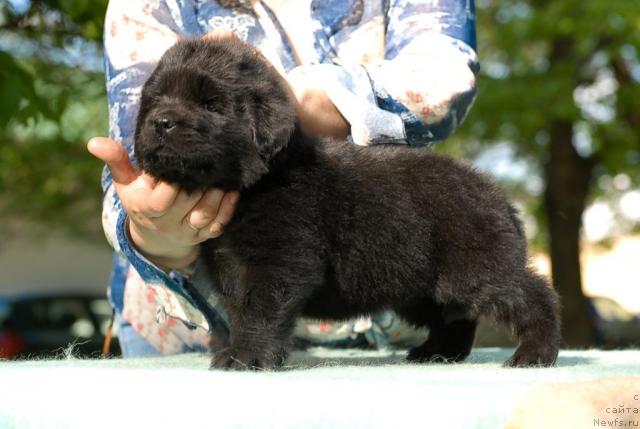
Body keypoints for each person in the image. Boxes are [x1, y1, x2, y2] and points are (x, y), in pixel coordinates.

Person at [88, 0, 479, 356]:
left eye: (208, 103)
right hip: (194, 337)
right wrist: (154, 230)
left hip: (388, 315)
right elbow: (132, 173)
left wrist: (297, 101)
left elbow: (446, 74)